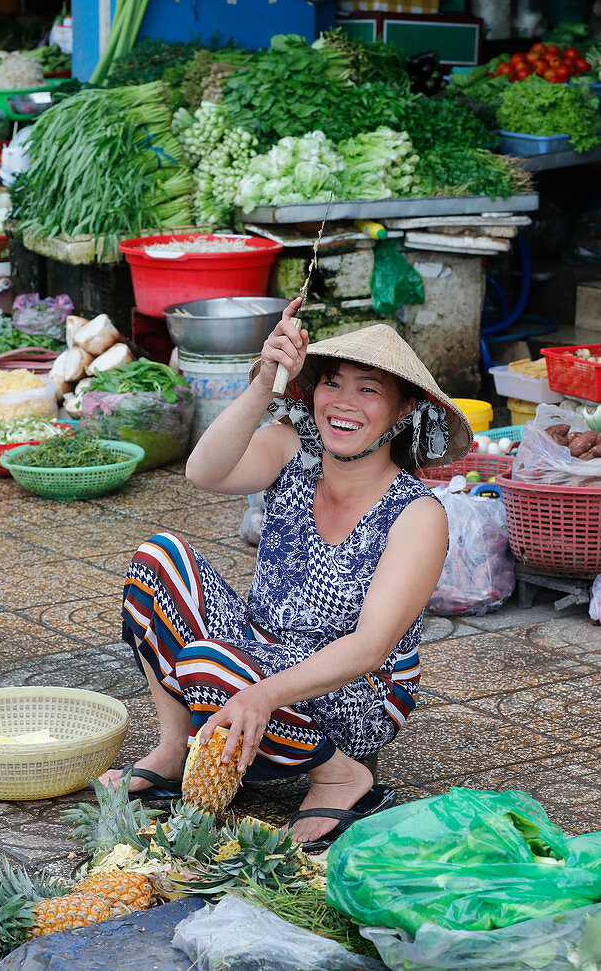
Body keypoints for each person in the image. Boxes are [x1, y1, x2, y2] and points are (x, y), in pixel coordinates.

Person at [103, 300, 472, 852]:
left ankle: (340, 772)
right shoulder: (292, 449)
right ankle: (175, 745)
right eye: (332, 385)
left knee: (208, 665)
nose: (344, 404)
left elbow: (370, 648)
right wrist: (264, 383)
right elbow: (203, 471)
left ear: (402, 412)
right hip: (257, 649)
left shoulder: (418, 514)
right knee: (159, 558)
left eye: (368, 390)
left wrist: (261, 693)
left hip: (357, 689)